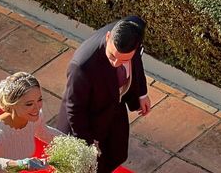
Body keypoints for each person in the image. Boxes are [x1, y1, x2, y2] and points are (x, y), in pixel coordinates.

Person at [56, 16, 151, 173]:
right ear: (108, 37)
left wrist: (142, 94)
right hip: (86, 121)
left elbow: (136, 62)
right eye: (112, 56)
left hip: (113, 107)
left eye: (123, 60)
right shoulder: (82, 65)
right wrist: (87, 144)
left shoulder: (132, 30)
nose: (115, 64)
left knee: (118, 154)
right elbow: (74, 109)